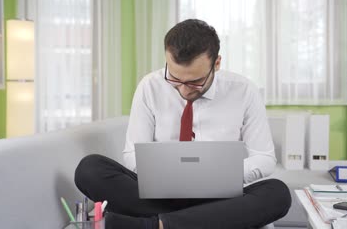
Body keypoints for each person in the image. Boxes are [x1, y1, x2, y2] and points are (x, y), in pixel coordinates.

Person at [75, 19, 291, 229]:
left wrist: (217, 176)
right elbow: (132, 153)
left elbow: (264, 158)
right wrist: (166, 175)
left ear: (216, 63)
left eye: (195, 82)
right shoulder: (150, 87)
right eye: (175, 79)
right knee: (90, 169)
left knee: (277, 193)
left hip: (221, 199)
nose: (184, 90)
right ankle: (200, 222)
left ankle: (153, 224)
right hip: (163, 197)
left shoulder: (243, 90)